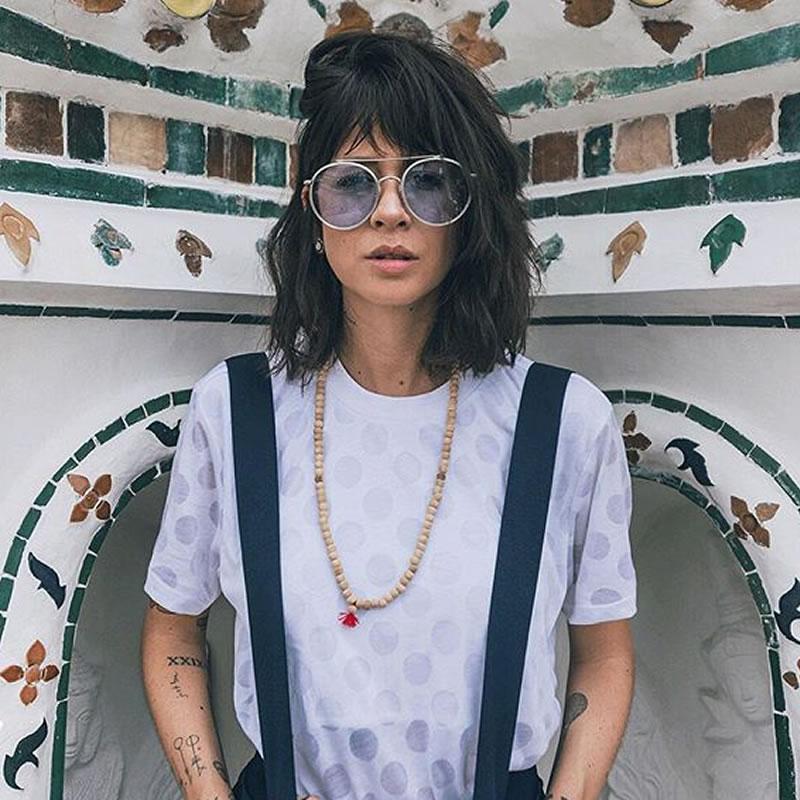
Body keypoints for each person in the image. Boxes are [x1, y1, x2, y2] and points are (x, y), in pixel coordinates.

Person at [140, 28, 637, 800]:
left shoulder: (564, 422)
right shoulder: (236, 412)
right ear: (312, 210)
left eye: (429, 181)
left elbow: (602, 653)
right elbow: (174, 629)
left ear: (470, 213)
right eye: (354, 182)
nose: (391, 212)